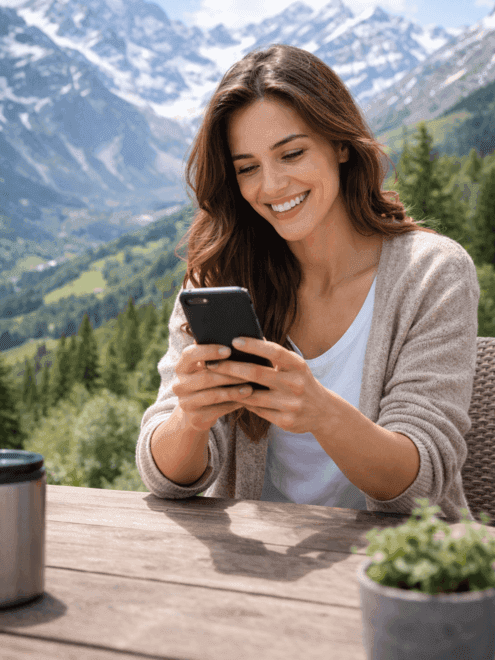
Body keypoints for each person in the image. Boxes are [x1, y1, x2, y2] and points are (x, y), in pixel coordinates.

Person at [135, 44, 479, 520]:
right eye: (247, 168)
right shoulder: (218, 276)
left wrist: (320, 411)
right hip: (253, 566)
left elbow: (417, 488)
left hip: (396, 572)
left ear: (340, 144)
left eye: (291, 153)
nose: (272, 186)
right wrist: (190, 419)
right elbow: (163, 479)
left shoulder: (432, 273)